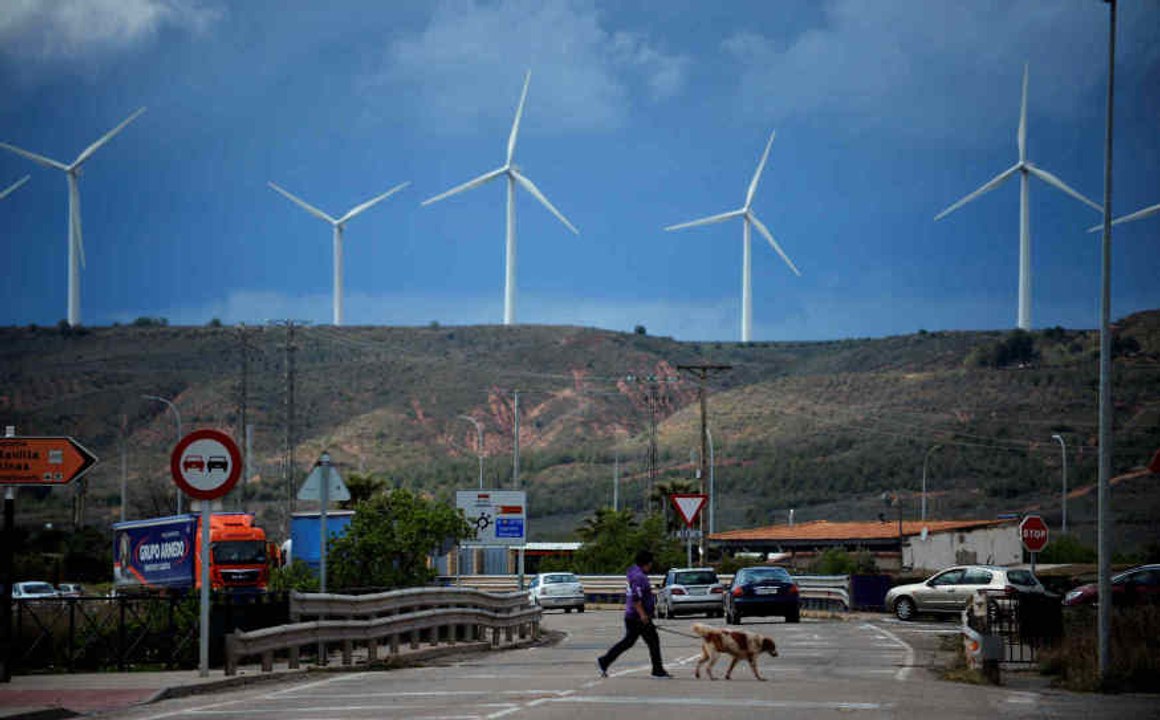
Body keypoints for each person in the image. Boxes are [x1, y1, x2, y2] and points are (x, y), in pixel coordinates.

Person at [596, 549, 672, 678]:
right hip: (638, 617)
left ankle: (605, 660)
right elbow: (636, 598)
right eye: (651, 563)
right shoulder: (639, 577)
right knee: (652, 641)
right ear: (647, 563)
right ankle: (657, 670)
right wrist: (643, 615)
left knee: (629, 642)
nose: (651, 565)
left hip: (633, 616)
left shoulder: (634, 572)